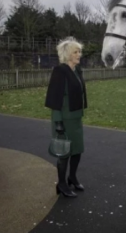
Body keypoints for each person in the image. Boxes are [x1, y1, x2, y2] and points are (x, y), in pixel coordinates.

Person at [45, 37, 88, 197]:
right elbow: (55, 98)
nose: (79, 55)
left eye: (79, 51)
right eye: (75, 52)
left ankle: (72, 177)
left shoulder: (77, 71)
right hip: (62, 119)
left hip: (76, 118)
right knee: (64, 153)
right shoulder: (60, 71)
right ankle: (61, 184)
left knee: (77, 151)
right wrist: (58, 122)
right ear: (68, 54)